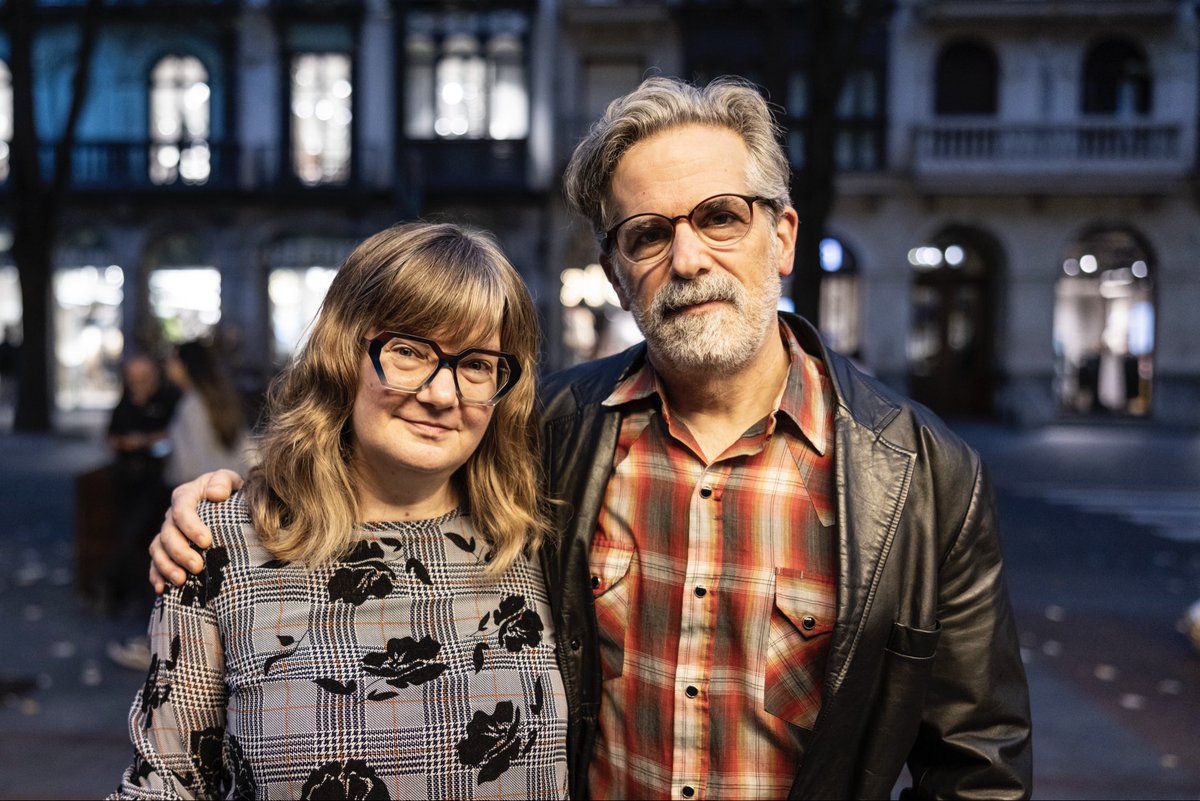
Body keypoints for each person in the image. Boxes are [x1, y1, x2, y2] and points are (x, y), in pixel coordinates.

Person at [149, 76, 1033, 800]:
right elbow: (399, 444)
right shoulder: (556, 431)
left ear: (782, 233)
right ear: (616, 272)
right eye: (648, 235)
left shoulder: (920, 475)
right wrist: (235, 494)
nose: (687, 259)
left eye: (720, 216)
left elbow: (979, 764)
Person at [113, 222, 568, 799]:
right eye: (408, 351)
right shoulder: (223, 548)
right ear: (343, 354)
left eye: (476, 365)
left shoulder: (538, 539)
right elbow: (164, 786)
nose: (441, 393)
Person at [163, 338, 254, 486]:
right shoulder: (221, 397)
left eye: (172, 360)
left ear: (185, 366)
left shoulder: (191, 405)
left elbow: (190, 464)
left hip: (204, 492)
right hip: (232, 485)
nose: (167, 366)